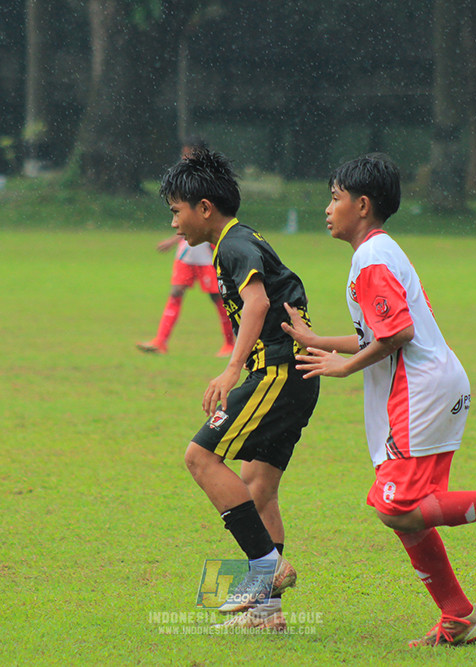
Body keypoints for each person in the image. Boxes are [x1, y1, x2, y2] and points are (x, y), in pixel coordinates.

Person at [282, 154, 476, 647]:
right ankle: (459, 617)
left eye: (335, 198)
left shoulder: (370, 260)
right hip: (434, 385)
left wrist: (341, 366)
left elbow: (396, 333)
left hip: (418, 394)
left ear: (362, 204)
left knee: (395, 508)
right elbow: (379, 332)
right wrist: (321, 342)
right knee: (407, 509)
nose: (328, 209)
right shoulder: (381, 251)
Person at [159, 148, 320, 631]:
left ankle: (266, 567)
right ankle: (266, 615)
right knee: (259, 488)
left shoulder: (233, 244)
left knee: (199, 456)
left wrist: (231, 370)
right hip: (292, 376)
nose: (174, 224)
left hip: (275, 371)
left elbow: (257, 302)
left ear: (204, 208)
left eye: (176, 211)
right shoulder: (235, 241)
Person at [138, 138, 235, 356]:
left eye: (187, 154)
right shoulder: (185, 182)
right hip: (186, 250)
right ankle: (160, 341)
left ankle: (230, 344)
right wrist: (175, 240)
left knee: (217, 297)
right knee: (176, 292)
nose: (183, 158)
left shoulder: (209, 184)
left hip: (205, 250)